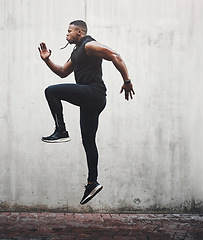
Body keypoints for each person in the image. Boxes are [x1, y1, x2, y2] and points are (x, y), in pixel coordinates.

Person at [38, 20, 135, 205]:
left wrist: (127, 81)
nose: (66, 34)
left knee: (51, 91)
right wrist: (47, 59)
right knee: (88, 141)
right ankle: (92, 182)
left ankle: (61, 130)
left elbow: (115, 55)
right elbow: (62, 72)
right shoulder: (76, 52)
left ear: (79, 32)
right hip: (90, 100)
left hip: (94, 93)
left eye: (69, 31)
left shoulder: (89, 45)